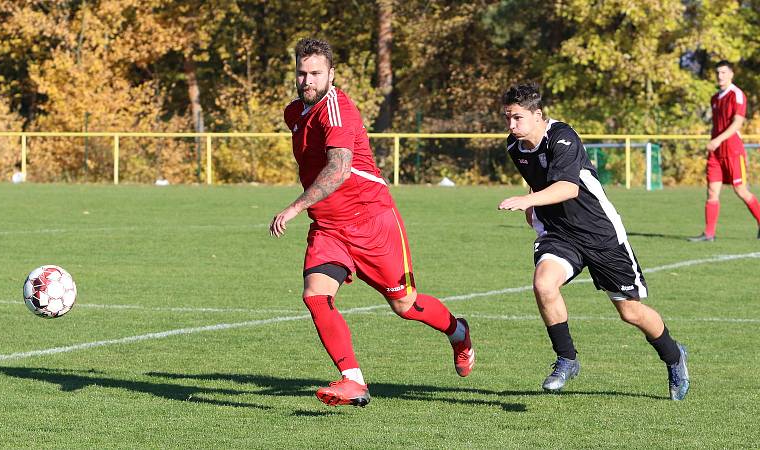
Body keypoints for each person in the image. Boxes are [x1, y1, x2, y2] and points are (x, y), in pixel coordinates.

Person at [269, 38, 474, 407]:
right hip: (329, 227)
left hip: (371, 223)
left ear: (331, 74)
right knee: (315, 295)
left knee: (406, 306)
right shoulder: (294, 112)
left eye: (315, 73)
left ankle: (458, 332)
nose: (307, 80)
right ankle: (354, 381)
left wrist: (295, 207)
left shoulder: (338, 110)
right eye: (302, 73)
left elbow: (340, 168)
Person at [497, 83, 689, 400]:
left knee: (630, 312)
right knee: (544, 284)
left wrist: (523, 200)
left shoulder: (562, 137)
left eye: (517, 118)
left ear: (537, 115)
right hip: (560, 234)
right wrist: (531, 204)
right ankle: (567, 358)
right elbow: (538, 182)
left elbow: (568, 189)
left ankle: (674, 356)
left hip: (600, 233)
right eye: (507, 118)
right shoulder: (515, 147)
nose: (511, 125)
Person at [689, 60, 760, 242]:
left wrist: (718, 140)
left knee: (741, 190)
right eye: (718, 73)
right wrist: (714, 140)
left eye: (723, 72)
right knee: (712, 191)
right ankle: (709, 234)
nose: (720, 76)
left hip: (732, 151)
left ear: (731, 74)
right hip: (716, 153)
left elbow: (737, 122)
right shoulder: (714, 98)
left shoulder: (737, 95)